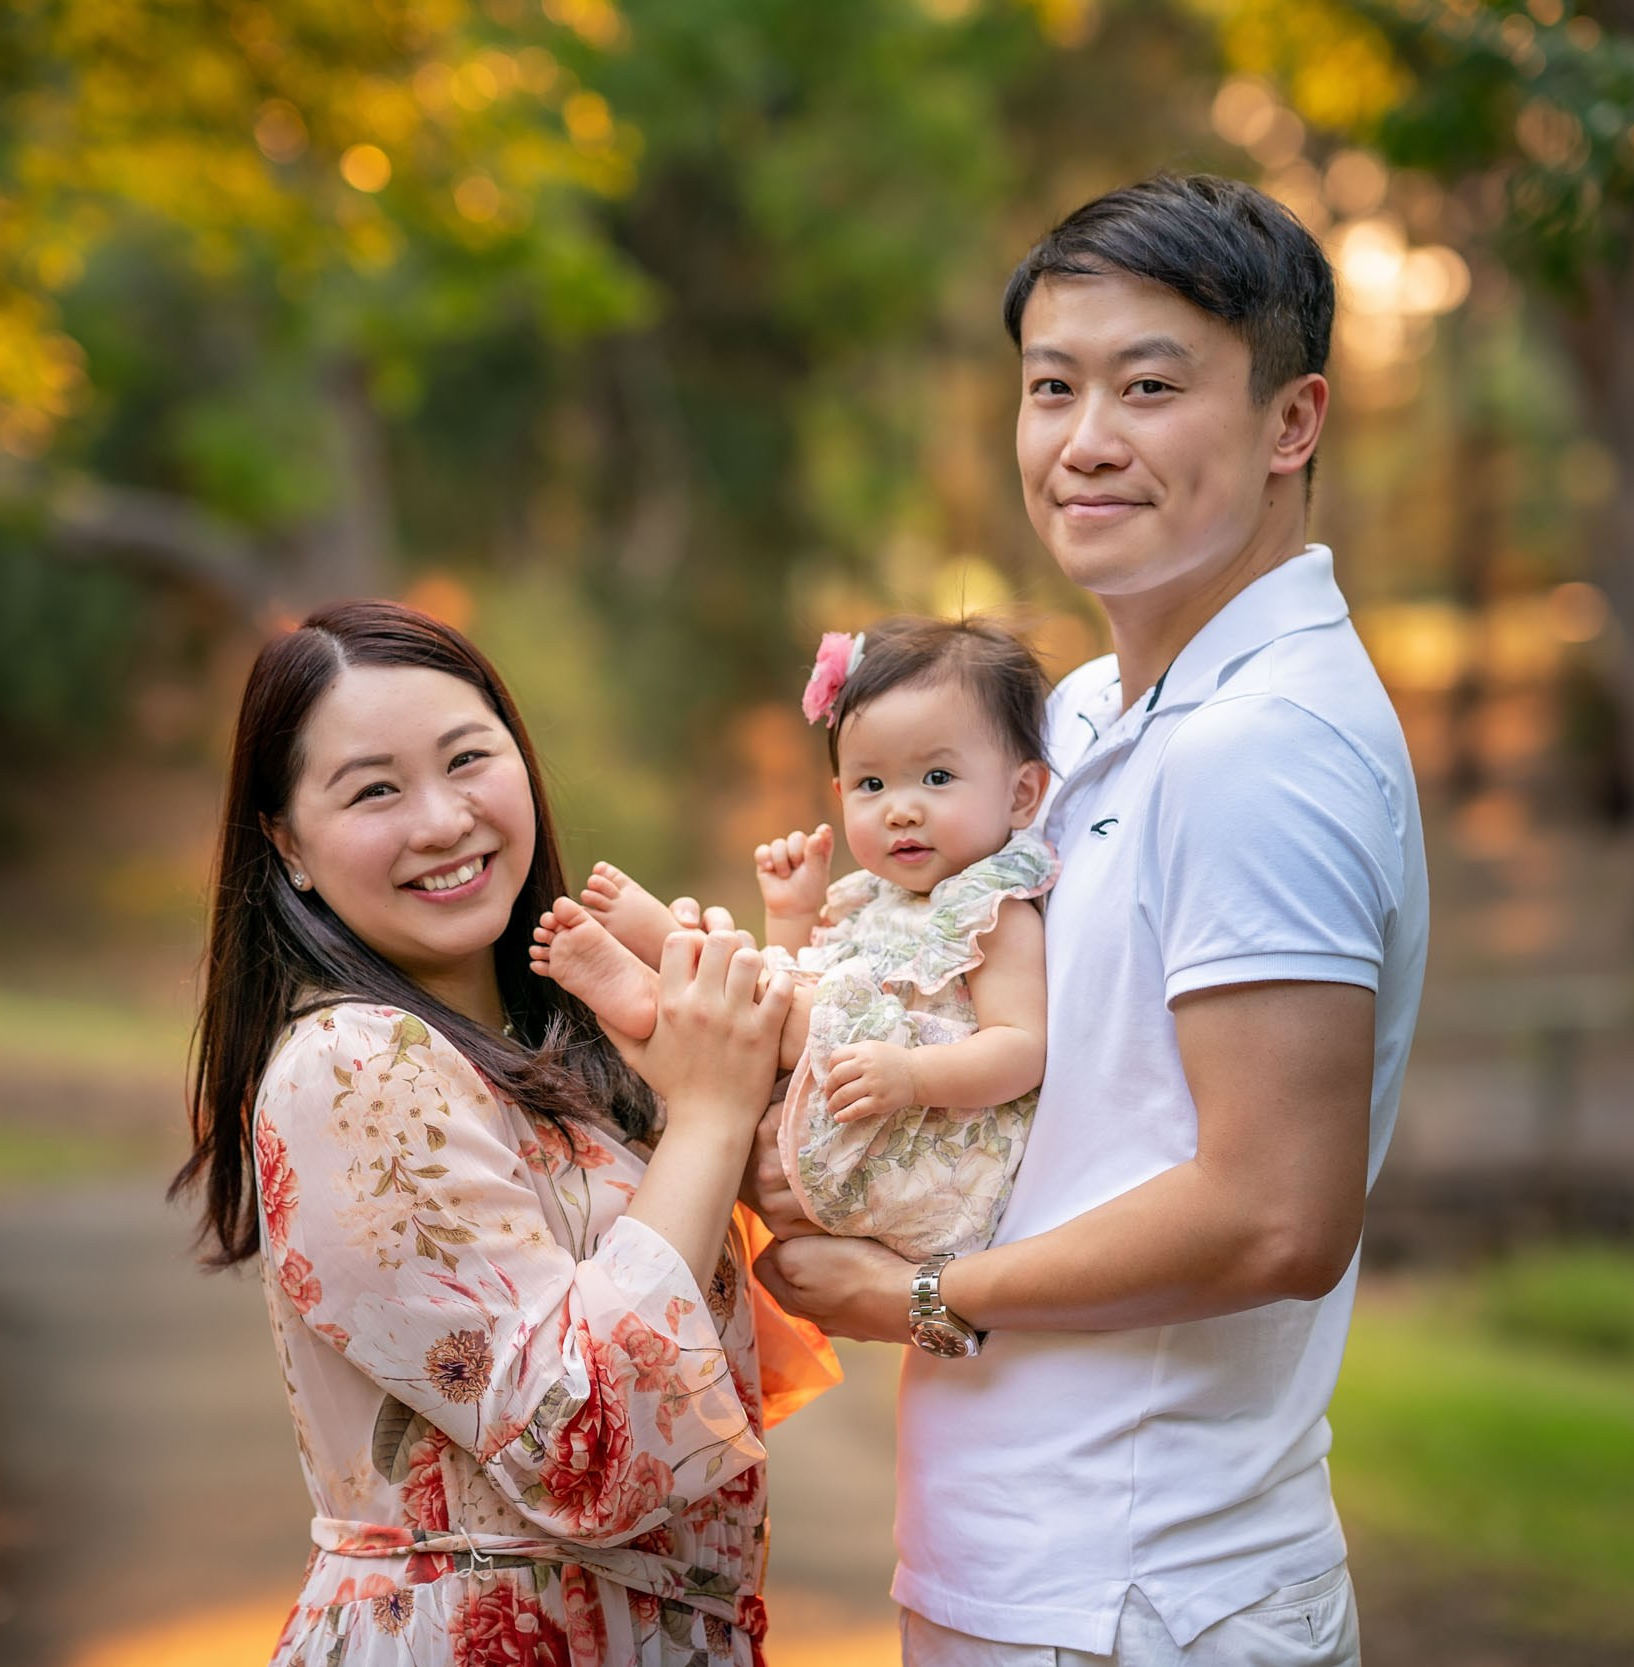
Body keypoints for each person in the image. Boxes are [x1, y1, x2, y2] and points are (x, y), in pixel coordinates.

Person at [756, 173, 1430, 1665]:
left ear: (1290, 424)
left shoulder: (1266, 745)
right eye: (1053, 386)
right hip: (1035, 1568)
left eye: (1150, 385)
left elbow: (1276, 1209)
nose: (1085, 440)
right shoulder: (1080, 716)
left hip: (1147, 1595)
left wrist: (924, 1293)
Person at [174, 601, 823, 1667]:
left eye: (468, 758)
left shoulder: (561, 1047)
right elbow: (585, 1451)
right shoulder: (355, 1064)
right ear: (286, 843)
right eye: (374, 788)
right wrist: (709, 1113)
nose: (440, 819)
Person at [530, 614, 1056, 1261]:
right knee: (784, 994)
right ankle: (675, 985)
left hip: (925, 1141)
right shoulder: (875, 897)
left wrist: (914, 1074)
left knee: (792, 1008)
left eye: (937, 777)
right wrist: (795, 910)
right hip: (840, 1103)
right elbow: (814, 968)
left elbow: (1021, 1046)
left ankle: (668, 970)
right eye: (872, 784)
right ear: (839, 793)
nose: (900, 807)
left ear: (1022, 792)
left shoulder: (994, 912)